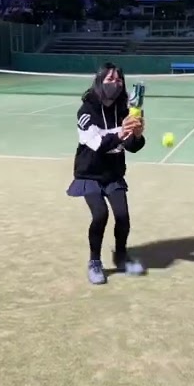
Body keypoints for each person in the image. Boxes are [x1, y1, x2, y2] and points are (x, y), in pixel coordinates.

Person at [66, 63, 147, 285]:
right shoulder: (86, 112)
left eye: (119, 80)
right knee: (100, 214)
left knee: (122, 216)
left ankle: (121, 256)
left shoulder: (125, 109)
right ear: (100, 81)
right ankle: (94, 261)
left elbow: (132, 146)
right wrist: (122, 131)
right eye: (110, 79)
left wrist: (136, 134)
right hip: (89, 173)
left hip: (113, 173)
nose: (115, 83)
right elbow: (97, 144)